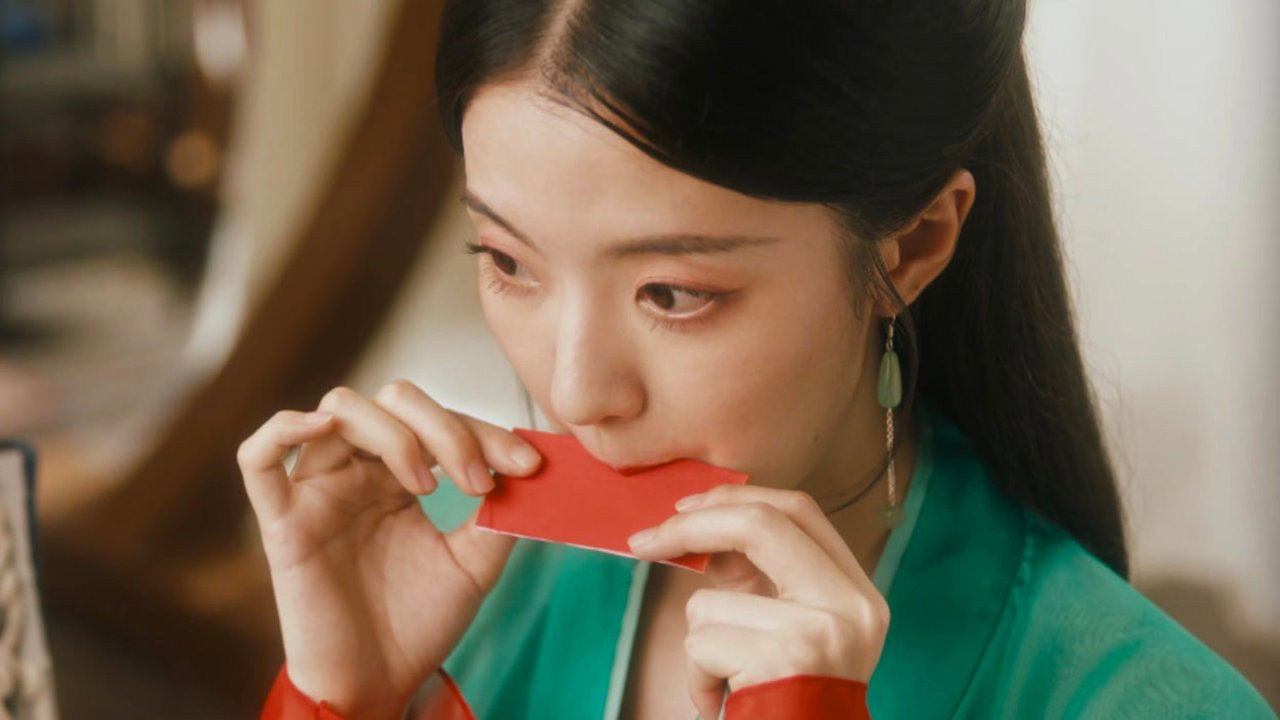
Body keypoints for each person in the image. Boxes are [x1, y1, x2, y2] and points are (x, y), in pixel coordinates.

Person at [244, 0, 1278, 718]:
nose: (573, 391)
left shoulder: (1140, 701)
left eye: (672, 293)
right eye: (508, 262)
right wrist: (339, 702)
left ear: (911, 247)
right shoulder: (429, 571)